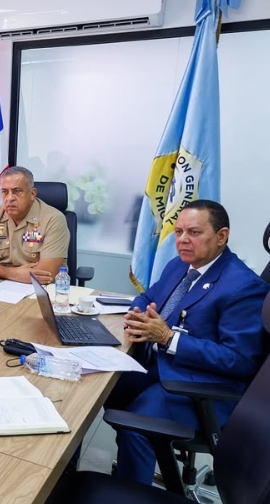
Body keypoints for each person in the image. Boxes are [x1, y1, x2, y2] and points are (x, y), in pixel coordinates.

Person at [109, 199, 269, 484]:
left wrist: (168, 338)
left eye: (194, 232)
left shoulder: (245, 287)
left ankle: (131, 497)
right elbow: (147, 297)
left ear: (222, 236)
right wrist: (138, 315)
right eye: (179, 231)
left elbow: (240, 361)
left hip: (201, 386)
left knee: (135, 426)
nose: (182, 239)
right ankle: (75, 471)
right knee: (96, 388)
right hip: (162, 366)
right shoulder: (180, 265)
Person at [0, 166, 69, 284]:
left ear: (32, 194)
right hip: (1, 285)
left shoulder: (53, 219)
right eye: (5, 192)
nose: (9, 198)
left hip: (39, 289)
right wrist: (13, 273)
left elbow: (45, 274)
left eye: (17, 191)